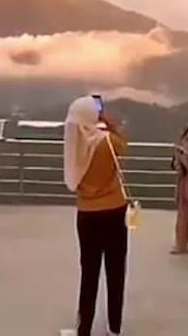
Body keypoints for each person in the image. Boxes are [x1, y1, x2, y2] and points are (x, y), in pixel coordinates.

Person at [62, 95, 129, 336]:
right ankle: (114, 327)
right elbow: (124, 148)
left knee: (89, 272)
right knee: (116, 269)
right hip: (114, 209)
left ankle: (85, 329)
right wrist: (110, 125)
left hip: (87, 214)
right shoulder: (108, 142)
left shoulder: (75, 142)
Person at [170, 121, 188, 254]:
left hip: (185, 182)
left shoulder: (183, 145)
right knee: (187, 214)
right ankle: (182, 242)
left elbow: (179, 166)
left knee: (183, 214)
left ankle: (181, 242)